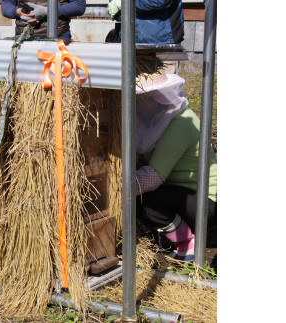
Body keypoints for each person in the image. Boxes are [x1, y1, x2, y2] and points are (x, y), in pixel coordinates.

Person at [133, 71, 217, 261]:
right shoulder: (153, 120)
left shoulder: (180, 122)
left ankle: (186, 242)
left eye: (139, 100)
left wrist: (114, 187)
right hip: (179, 191)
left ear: (154, 99)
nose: (135, 106)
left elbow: (153, 177)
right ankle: (173, 232)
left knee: (145, 202)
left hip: (205, 200)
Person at [1, 0, 86, 44]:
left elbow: (79, 6)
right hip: (23, 40)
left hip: (59, 39)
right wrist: (17, 12)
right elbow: (6, 6)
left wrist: (48, 11)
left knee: (55, 76)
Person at [105, 0, 184, 44]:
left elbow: (158, 2)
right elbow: (115, 7)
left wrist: (127, 3)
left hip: (162, 44)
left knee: (162, 73)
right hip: (129, 44)